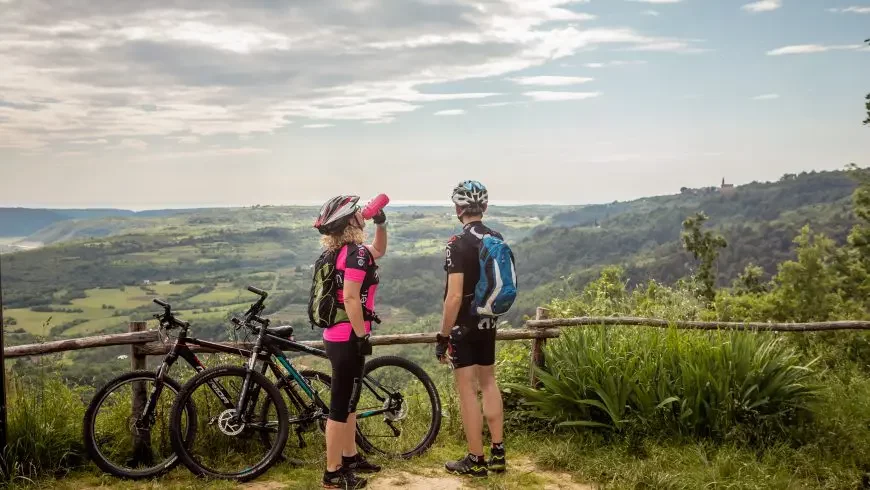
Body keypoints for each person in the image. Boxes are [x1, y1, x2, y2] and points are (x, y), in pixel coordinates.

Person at [313, 194, 388, 489]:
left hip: (337, 335)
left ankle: (350, 457)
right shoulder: (354, 253)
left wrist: (381, 221)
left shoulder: (341, 252)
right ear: (350, 221)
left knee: (349, 401)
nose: (363, 213)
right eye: (358, 211)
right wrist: (361, 335)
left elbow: (379, 250)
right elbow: (351, 297)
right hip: (348, 337)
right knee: (339, 406)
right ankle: (332, 474)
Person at [435, 180, 506, 477]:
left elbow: (453, 296)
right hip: (488, 319)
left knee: (467, 391)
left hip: (464, 322)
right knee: (489, 382)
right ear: (484, 207)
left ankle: (475, 460)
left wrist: (442, 335)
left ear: (458, 208)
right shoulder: (495, 237)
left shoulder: (457, 243)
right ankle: (498, 454)